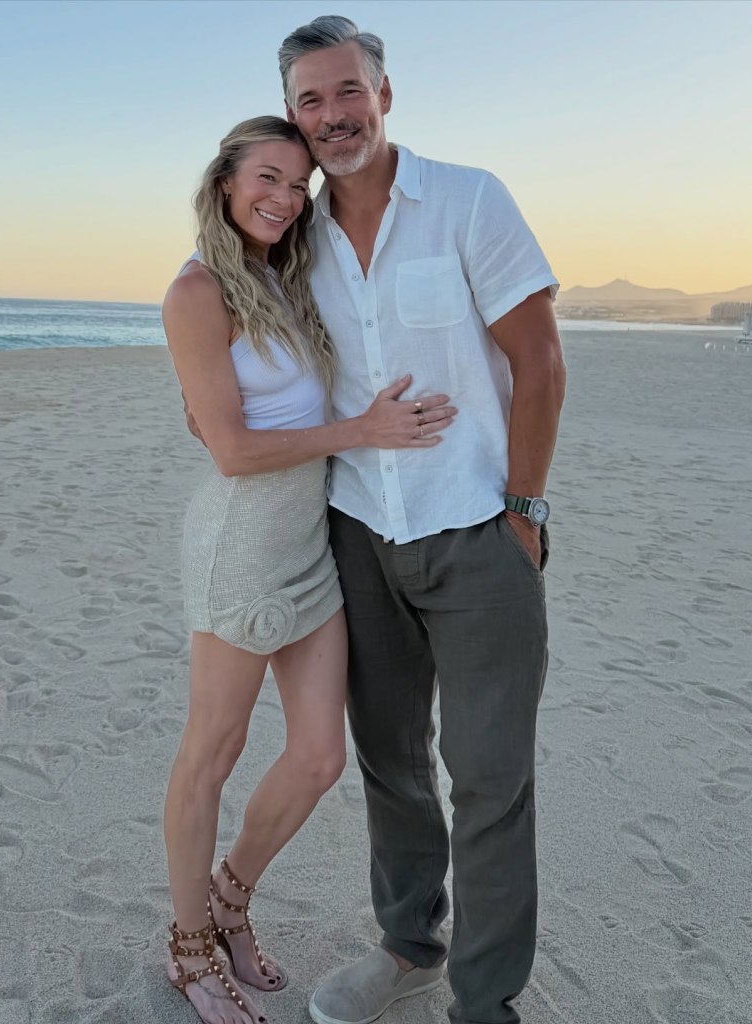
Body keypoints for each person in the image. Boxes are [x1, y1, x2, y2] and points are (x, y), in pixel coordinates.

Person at [275, 17, 567, 1024]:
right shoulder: (296, 237)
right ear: (293, 117)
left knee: (489, 778)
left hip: (479, 531)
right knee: (390, 762)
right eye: (309, 101)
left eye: (346, 91)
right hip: (357, 532)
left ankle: (483, 1003)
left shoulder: (467, 199)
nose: (331, 115)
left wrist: (522, 515)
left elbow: (540, 363)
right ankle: (410, 944)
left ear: (384, 94)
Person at [160, 115, 456, 1024]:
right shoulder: (198, 291)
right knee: (212, 754)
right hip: (241, 546)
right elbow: (235, 452)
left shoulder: (283, 279)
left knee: (321, 755)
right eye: (268, 178)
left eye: (298, 185)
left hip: (310, 546)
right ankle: (187, 949)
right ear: (224, 182)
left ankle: (230, 895)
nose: (285, 199)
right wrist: (361, 431)